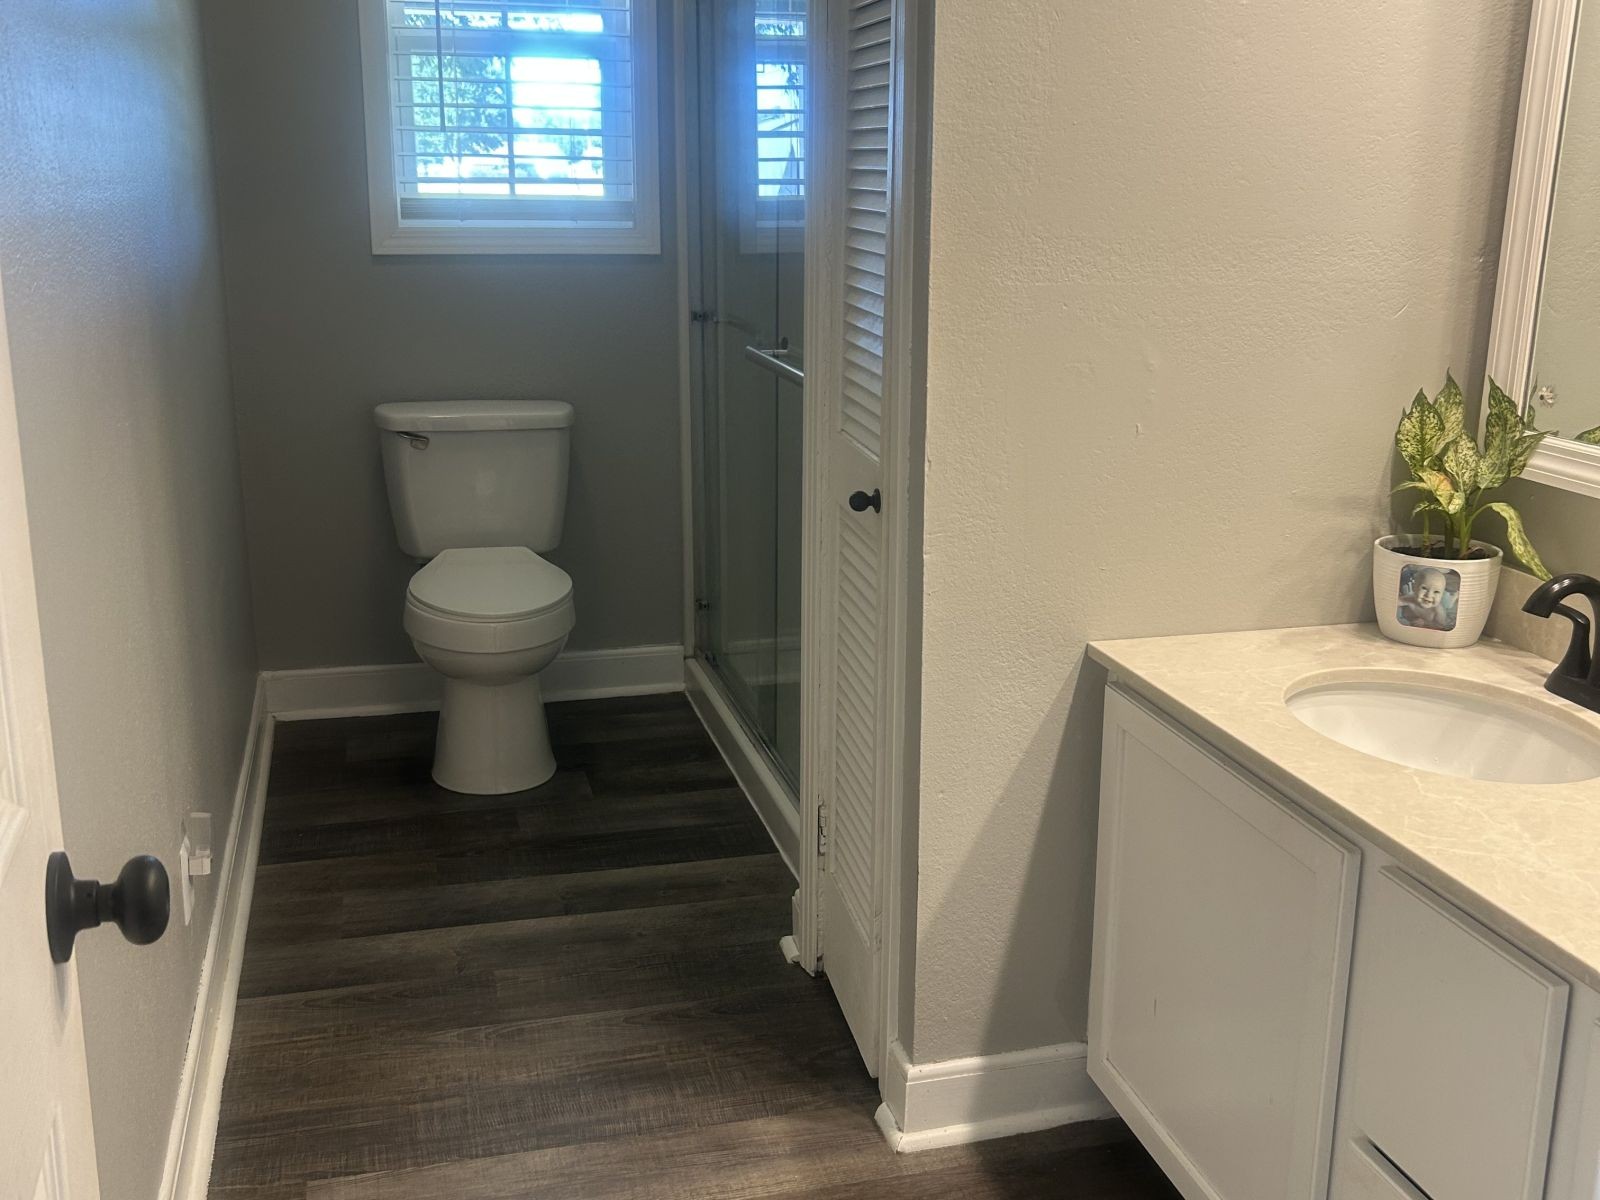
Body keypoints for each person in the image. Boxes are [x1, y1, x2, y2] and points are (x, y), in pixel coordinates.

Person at [1398, 566, 1455, 630]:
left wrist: (1425, 624)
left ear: (1441, 595)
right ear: (1414, 587)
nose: (1429, 595)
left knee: (1448, 604)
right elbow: (1395, 602)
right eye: (1424, 588)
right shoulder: (1410, 599)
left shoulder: (1438, 611)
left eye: (1436, 591)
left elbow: (1440, 626)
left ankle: (1454, 596)